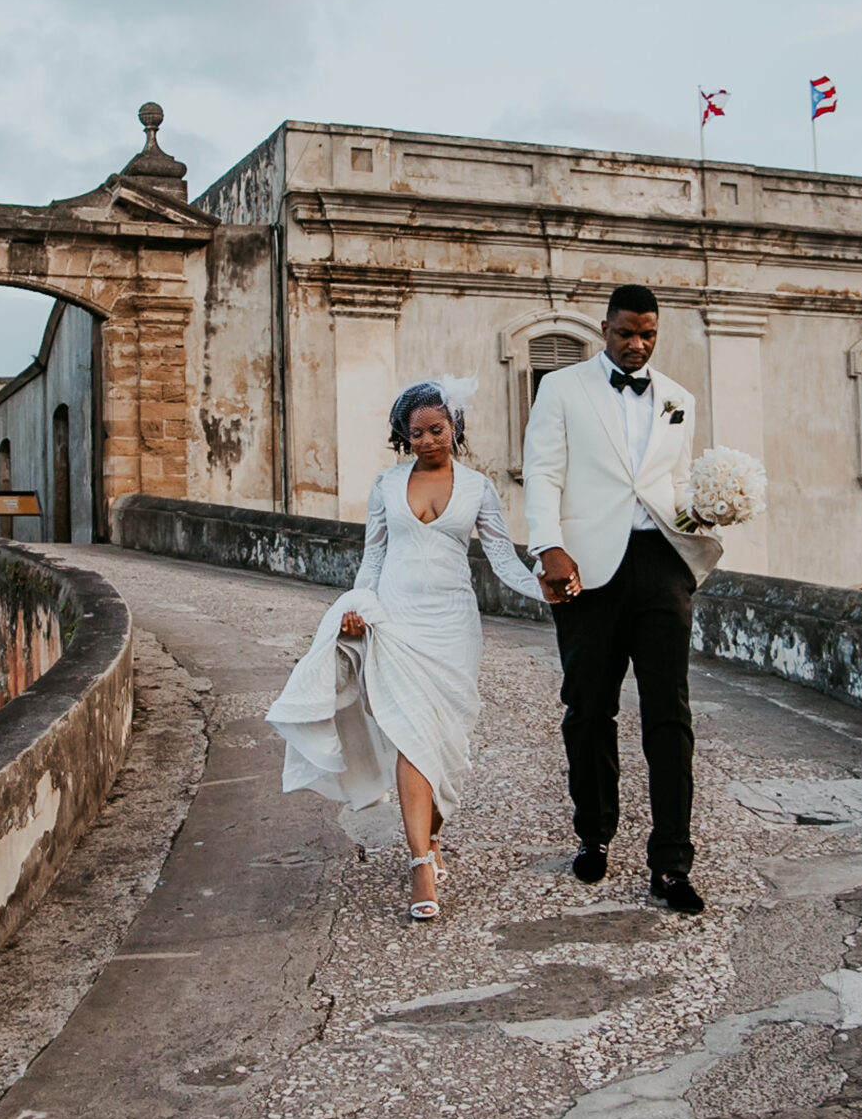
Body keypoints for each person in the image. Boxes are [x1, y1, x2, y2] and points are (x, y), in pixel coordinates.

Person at [266, 377, 544, 921]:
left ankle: (432, 838)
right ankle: (420, 861)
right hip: (395, 621)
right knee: (412, 739)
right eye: (414, 434)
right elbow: (372, 560)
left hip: (452, 626)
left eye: (436, 430)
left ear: (455, 427)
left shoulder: (479, 488)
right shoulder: (386, 486)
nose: (426, 442)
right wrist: (357, 608)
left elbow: (505, 562)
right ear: (404, 436)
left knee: (444, 743)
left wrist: (548, 589)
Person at [520, 284, 724, 914]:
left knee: (670, 715)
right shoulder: (561, 388)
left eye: (648, 335)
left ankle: (671, 865)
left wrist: (711, 509)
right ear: (603, 328)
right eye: (625, 333)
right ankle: (594, 835)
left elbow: (674, 482)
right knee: (587, 709)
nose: (636, 345)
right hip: (587, 568)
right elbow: (544, 471)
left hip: (662, 565)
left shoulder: (677, 400)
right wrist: (549, 547)